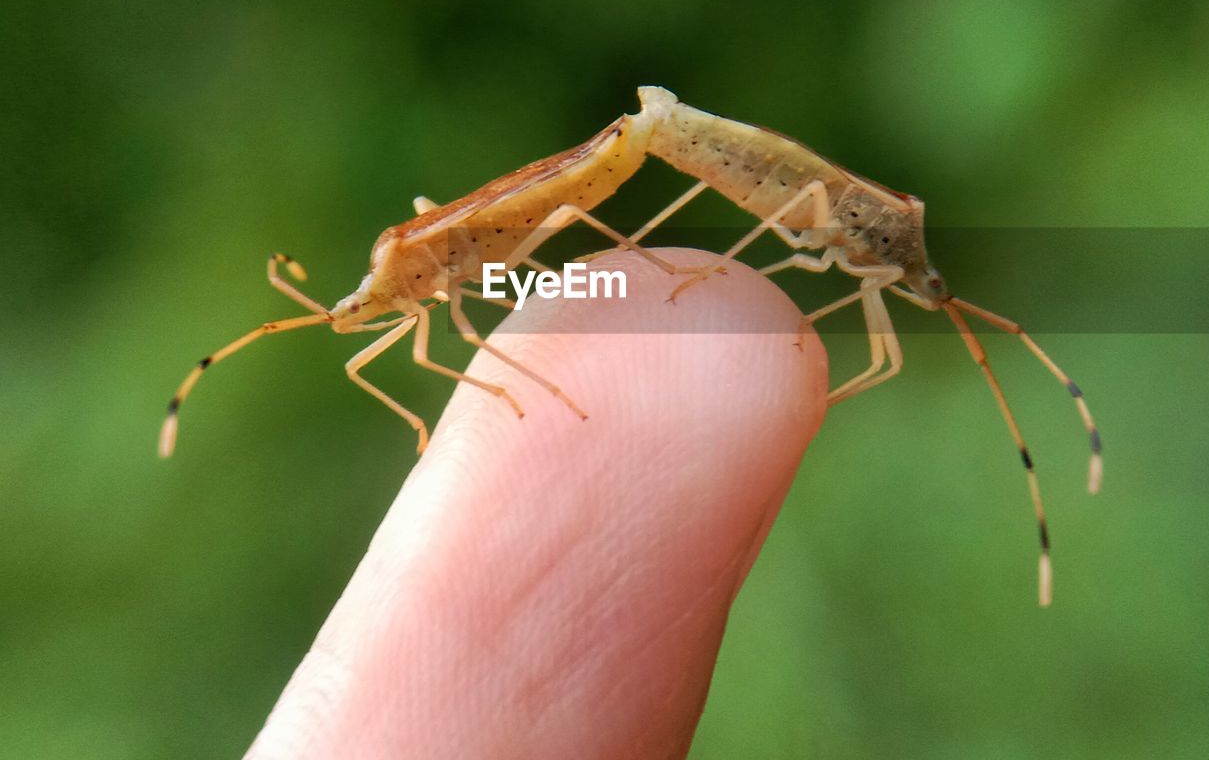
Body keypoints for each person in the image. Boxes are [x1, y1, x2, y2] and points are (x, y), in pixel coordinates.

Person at [244, 249, 828, 759]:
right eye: (347, 315)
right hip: (511, 272)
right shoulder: (402, 297)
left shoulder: (404, 278)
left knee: (472, 333)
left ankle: (599, 309)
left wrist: (502, 390)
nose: (348, 322)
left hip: (503, 251)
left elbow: (459, 329)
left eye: (348, 313)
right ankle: (613, 289)